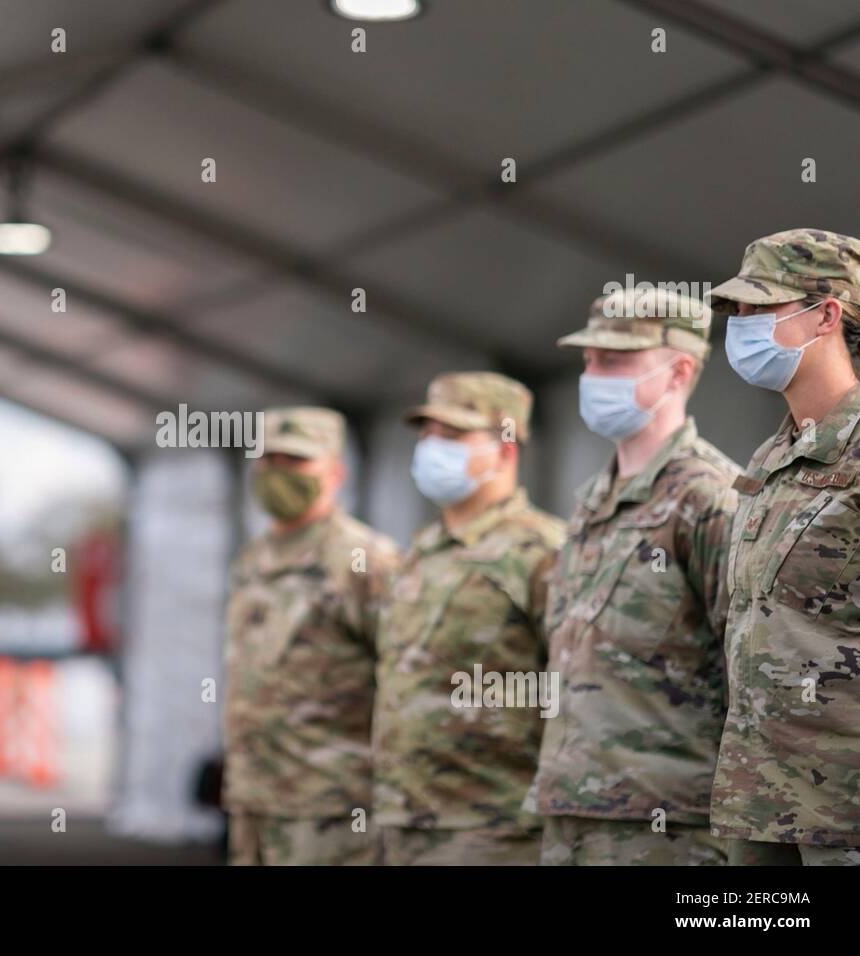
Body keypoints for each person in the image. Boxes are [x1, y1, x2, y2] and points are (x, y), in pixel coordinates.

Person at [531, 287, 739, 865]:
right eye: (589, 360)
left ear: (679, 372)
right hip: (571, 816)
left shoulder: (710, 499)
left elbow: (747, 671)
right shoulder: (591, 504)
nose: (594, 375)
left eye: (616, 361)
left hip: (667, 830)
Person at [706, 228, 860, 866]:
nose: (739, 326)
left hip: (844, 811)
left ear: (826, 314)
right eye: (735, 311)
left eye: (758, 307)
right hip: (761, 805)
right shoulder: (772, 458)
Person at [374, 372, 565, 865]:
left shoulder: (543, 549)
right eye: (427, 434)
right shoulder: (422, 548)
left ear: (505, 448)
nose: (432, 447)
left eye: (454, 436)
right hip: (403, 820)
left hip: (495, 827)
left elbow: (575, 687)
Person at [222, 406, 399, 864]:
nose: (278, 473)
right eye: (268, 460)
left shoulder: (365, 560)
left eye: (296, 461)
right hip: (253, 800)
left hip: (332, 809)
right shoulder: (253, 559)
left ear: (336, 471)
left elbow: (405, 677)